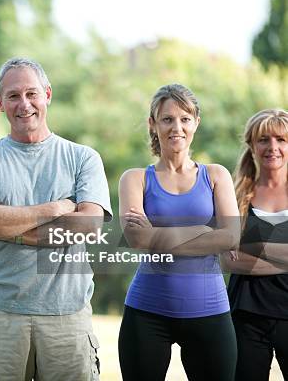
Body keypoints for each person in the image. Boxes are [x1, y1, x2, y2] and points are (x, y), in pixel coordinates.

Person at [0, 57, 112, 381]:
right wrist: (53, 209)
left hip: (66, 315)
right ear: (0, 102)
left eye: (32, 94)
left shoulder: (82, 158)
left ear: (47, 94)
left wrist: (4, 224)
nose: (24, 104)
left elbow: (88, 226)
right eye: (13, 96)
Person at [118, 83, 240, 381]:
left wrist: (159, 236)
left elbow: (232, 237)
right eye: (167, 119)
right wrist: (204, 231)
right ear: (153, 124)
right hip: (147, 313)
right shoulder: (135, 179)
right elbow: (137, 239)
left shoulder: (216, 175)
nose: (177, 127)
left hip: (209, 312)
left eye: (185, 119)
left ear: (196, 122)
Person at [223, 108, 288, 380]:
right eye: (263, 139)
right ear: (251, 145)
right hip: (246, 315)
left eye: (281, 139)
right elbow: (227, 259)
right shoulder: (234, 194)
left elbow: (240, 255)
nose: (272, 147)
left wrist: (251, 252)